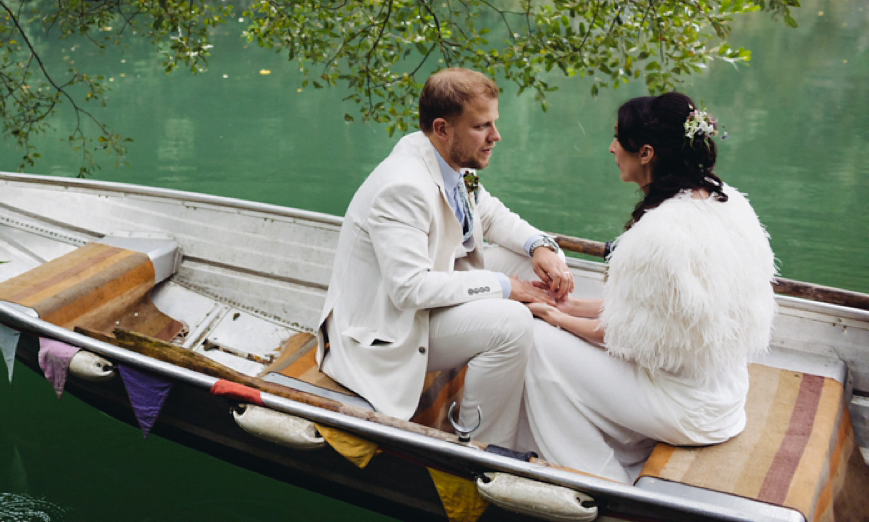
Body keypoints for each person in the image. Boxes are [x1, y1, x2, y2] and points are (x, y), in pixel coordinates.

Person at [519, 92, 778, 483]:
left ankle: (596, 478)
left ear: (645, 153)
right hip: (725, 396)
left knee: (536, 339)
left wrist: (551, 315)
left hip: (687, 409)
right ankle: (618, 449)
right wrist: (570, 306)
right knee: (554, 328)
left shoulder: (659, 233)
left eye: (617, 139)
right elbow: (646, 313)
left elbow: (621, 335)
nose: (610, 148)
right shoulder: (728, 202)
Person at [316, 68, 573, 448]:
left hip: (425, 300)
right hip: (386, 329)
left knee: (525, 267)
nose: (495, 137)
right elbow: (409, 290)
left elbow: (490, 214)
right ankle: (481, 445)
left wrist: (540, 246)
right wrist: (505, 288)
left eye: (494, 123)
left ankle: (534, 407)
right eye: (482, 126)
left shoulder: (446, 159)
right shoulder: (403, 186)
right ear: (442, 128)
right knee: (512, 321)